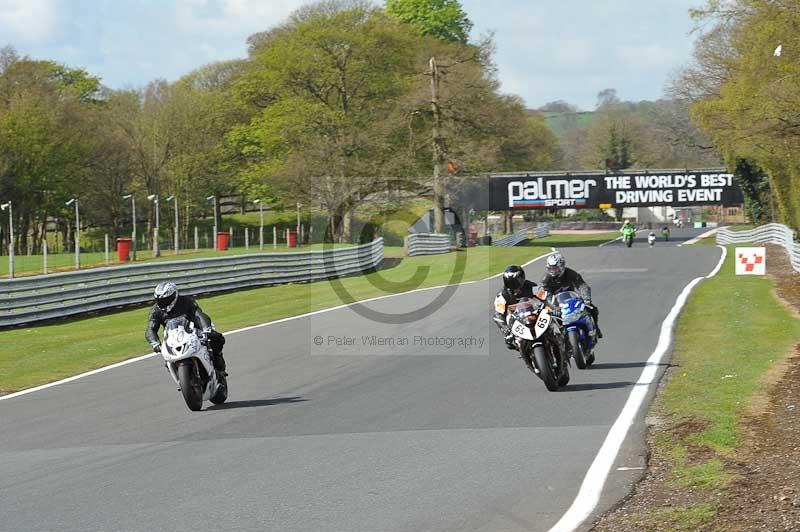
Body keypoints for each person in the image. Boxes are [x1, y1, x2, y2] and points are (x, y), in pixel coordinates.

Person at [145, 281, 227, 373]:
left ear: (174, 296)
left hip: (194, 331)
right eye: (159, 300)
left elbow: (199, 315)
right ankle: (183, 381)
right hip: (174, 338)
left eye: (166, 300)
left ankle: (218, 361)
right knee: (167, 361)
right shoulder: (156, 310)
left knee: (215, 338)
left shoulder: (186, 301)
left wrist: (206, 329)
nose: (162, 303)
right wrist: (155, 343)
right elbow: (151, 328)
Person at [540, 252, 602, 338]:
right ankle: (555, 342)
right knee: (546, 320)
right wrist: (552, 305)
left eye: (555, 268)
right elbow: (545, 292)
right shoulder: (546, 279)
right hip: (556, 303)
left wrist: (586, 299)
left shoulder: (571, 274)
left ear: (561, 266)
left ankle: (596, 328)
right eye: (550, 269)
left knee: (592, 309)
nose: (553, 271)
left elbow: (582, 286)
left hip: (571, 299)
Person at [492, 265, 539, 350]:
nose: (513, 286)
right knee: (517, 343)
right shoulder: (502, 295)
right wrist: (506, 330)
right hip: (517, 323)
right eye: (509, 283)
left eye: (515, 282)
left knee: (553, 329)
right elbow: (498, 314)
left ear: (522, 279)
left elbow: (545, 298)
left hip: (534, 317)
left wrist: (553, 309)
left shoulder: (531, 286)